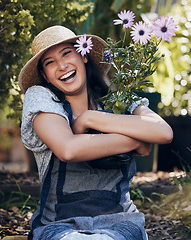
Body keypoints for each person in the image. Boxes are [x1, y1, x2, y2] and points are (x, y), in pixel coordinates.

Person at [18, 25, 173, 240]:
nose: (62, 66)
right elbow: (68, 149)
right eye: (50, 62)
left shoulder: (118, 101)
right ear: (45, 75)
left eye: (66, 54)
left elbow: (163, 132)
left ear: (84, 56)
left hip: (122, 223)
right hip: (59, 225)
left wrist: (90, 119)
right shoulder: (43, 101)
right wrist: (136, 140)